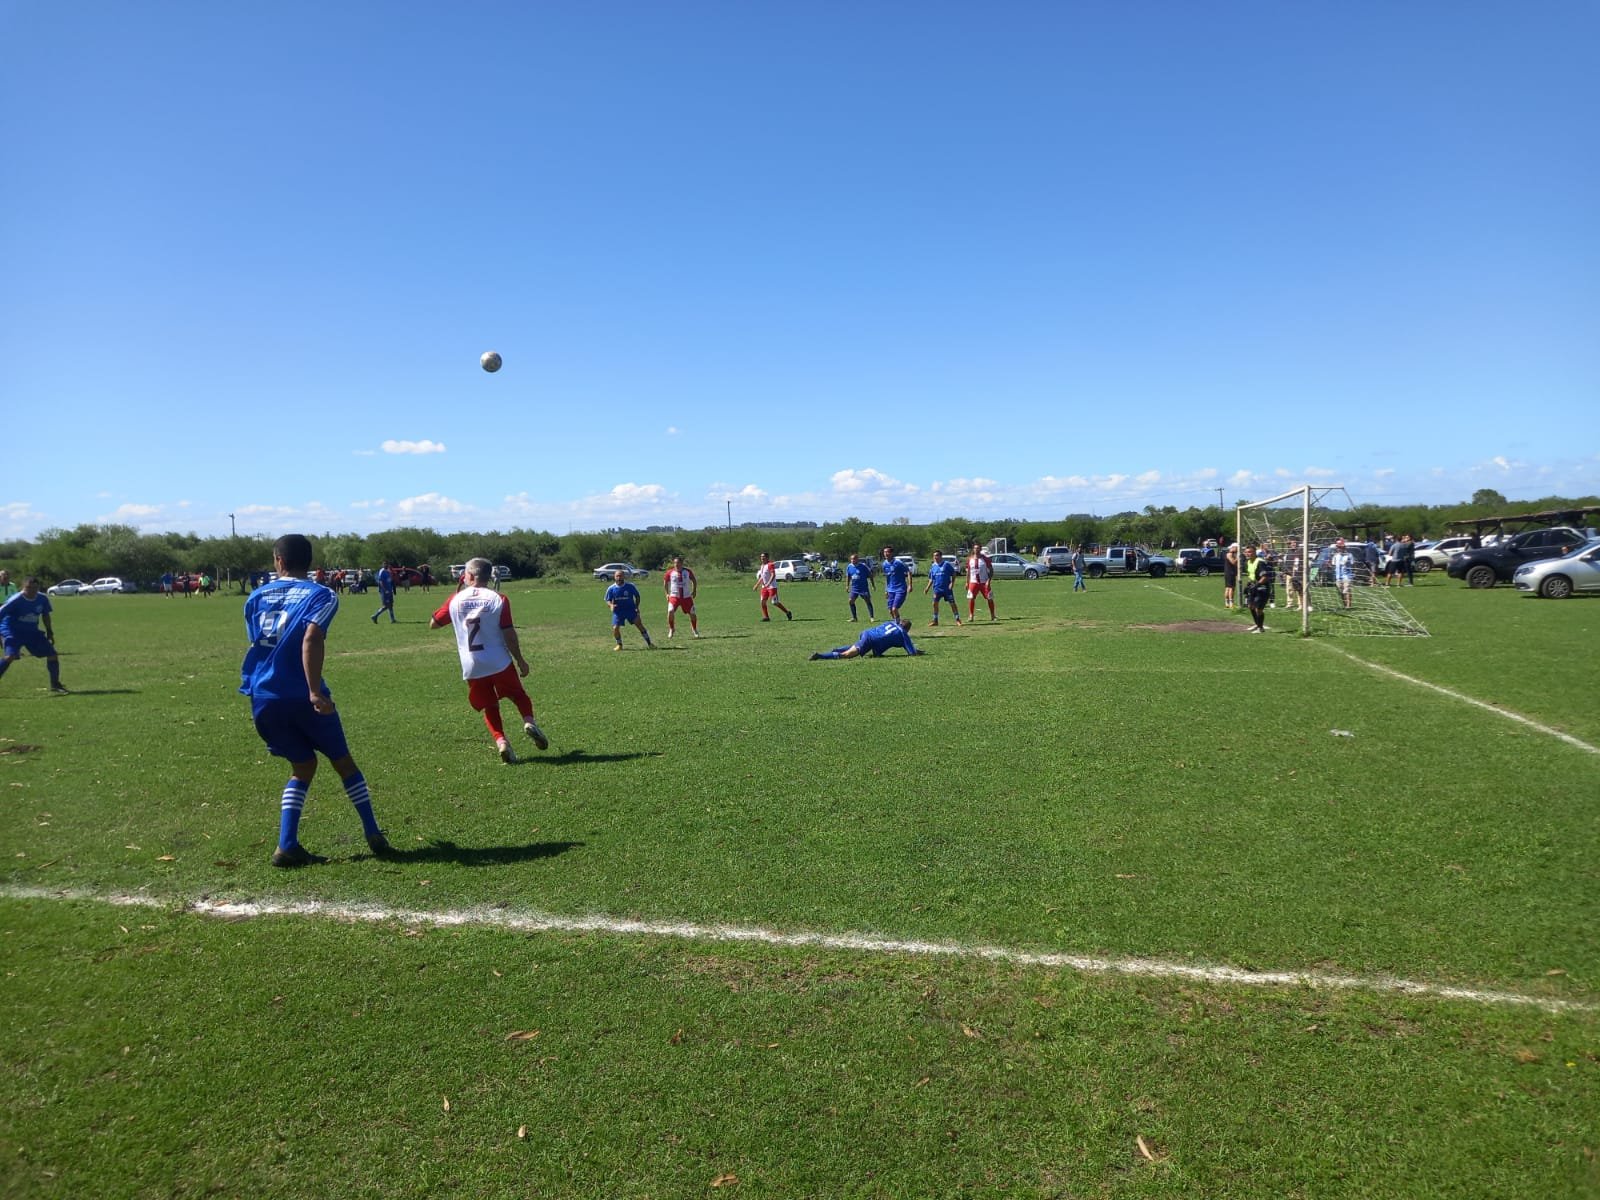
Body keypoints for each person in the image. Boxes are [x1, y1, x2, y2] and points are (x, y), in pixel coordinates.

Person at [240, 534, 390, 867]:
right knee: (344, 763)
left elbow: (258, 644)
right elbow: (311, 637)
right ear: (309, 562)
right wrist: (314, 691)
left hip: (263, 696)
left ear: (278, 560)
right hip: (303, 696)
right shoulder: (321, 594)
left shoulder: (255, 597)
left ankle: (287, 844)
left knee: (303, 767)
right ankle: (372, 831)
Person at [430, 557, 549, 764]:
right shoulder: (498, 598)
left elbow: (434, 623)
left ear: (468, 576)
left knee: (489, 705)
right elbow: (509, 634)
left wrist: (457, 596)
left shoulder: (454, 600)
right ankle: (528, 722)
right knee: (519, 695)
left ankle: (502, 742)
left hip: (472, 665)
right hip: (498, 661)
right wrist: (520, 659)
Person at [0, 577, 68, 694]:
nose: (31, 591)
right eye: (28, 588)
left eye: (35, 588)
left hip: (32, 632)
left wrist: (49, 631)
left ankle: (55, 684)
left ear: (38, 588)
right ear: (23, 587)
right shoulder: (15, 599)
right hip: (12, 631)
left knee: (52, 655)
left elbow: (45, 614)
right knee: (10, 656)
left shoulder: (42, 599)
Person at [809, 617, 920, 660]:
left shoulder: (891, 623)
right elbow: (912, 653)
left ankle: (837, 650)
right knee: (847, 655)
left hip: (867, 633)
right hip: (871, 640)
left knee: (856, 647)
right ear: (907, 629)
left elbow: (884, 641)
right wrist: (916, 651)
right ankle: (820, 656)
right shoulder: (903, 634)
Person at [605, 569, 656, 651]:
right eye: (617, 576)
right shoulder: (611, 588)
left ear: (624, 576)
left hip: (630, 610)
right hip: (618, 612)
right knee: (615, 628)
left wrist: (636, 606)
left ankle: (650, 643)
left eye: (620, 576)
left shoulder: (630, 586)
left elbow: (637, 596)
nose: (619, 577)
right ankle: (619, 645)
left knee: (640, 625)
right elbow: (607, 600)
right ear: (614, 577)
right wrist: (611, 605)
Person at [662, 557, 700, 638]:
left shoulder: (687, 571)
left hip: (686, 597)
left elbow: (693, 580)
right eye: (675, 563)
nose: (677, 565)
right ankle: (671, 629)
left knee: (692, 614)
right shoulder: (670, 572)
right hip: (674, 597)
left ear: (682, 564)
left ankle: (694, 629)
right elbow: (665, 581)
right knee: (670, 611)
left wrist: (694, 591)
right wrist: (666, 594)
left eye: (678, 563)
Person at [922, 550, 962, 626]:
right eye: (934, 556)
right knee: (934, 603)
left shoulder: (946, 564)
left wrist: (952, 583)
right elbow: (931, 578)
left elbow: (953, 574)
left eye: (937, 555)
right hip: (937, 589)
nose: (935, 557)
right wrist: (927, 588)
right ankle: (935, 620)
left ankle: (957, 619)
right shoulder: (933, 566)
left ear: (941, 556)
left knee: (952, 603)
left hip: (947, 589)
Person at [754, 553, 794, 622]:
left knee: (774, 602)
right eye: (761, 557)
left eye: (763, 557)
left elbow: (773, 574)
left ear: (767, 557)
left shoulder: (770, 564)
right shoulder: (762, 566)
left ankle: (787, 612)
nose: (762, 558)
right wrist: (757, 585)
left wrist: (768, 583)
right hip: (764, 587)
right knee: (762, 602)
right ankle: (766, 617)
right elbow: (762, 577)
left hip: (772, 586)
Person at [1243, 547, 1274, 632]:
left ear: (1254, 553)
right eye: (1246, 552)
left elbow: (1265, 577)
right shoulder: (1248, 562)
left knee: (1258, 609)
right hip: (1254, 586)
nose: (1247, 554)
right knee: (1250, 606)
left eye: (1249, 552)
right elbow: (1251, 575)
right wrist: (1248, 585)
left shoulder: (1260, 562)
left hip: (1262, 587)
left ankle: (1260, 628)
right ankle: (1257, 624)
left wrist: (1256, 585)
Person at [965, 543, 996, 622]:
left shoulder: (985, 559)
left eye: (978, 548)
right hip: (973, 582)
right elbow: (968, 572)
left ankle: (993, 615)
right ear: (973, 549)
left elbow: (991, 570)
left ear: (980, 549)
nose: (976, 550)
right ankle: (971, 616)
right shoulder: (970, 559)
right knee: (971, 598)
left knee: (989, 597)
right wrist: (967, 582)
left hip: (984, 582)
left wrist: (988, 581)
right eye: (975, 548)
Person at [881, 545, 911, 622]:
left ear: (891, 553)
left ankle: (898, 627)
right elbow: (887, 578)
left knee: (894, 608)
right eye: (884, 552)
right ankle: (897, 623)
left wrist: (910, 585)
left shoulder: (898, 562)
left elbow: (908, 572)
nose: (885, 553)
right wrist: (886, 590)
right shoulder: (884, 564)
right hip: (890, 590)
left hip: (900, 589)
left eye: (887, 552)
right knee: (890, 610)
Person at [844, 552, 875, 622]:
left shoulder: (863, 566)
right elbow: (848, 576)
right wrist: (847, 586)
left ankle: (872, 617)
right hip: (854, 588)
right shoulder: (849, 566)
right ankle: (854, 618)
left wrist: (873, 585)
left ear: (857, 559)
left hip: (863, 588)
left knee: (867, 601)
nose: (852, 560)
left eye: (854, 559)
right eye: (851, 559)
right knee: (850, 601)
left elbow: (870, 575)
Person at [1329, 538, 1356, 610]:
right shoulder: (1335, 556)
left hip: (1347, 576)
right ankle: (1344, 605)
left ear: (1344, 547)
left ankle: (1348, 605)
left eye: (1340, 547)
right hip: (1338, 576)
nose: (1339, 548)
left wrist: (1352, 573)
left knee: (1347, 590)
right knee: (1340, 592)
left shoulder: (1349, 555)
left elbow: (1353, 565)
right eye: (1338, 547)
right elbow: (1333, 565)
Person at [1222, 543, 1239, 609]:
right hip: (1230, 573)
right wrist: (1238, 557)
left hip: (1230, 573)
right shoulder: (1229, 554)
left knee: (1228, 588)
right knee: (1231, 588)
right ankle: (1231, 603)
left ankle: (1227, 603)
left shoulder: (1232, 554)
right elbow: (1233, 562)